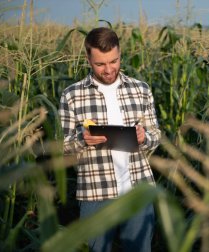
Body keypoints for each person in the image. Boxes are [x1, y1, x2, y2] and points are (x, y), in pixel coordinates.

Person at [59, 27, 161, 252]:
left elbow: (156, 136)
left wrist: (145, 138)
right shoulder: (71, 95)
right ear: (88, 58)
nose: (108, 69)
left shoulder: (140, 90)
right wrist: (82, 139)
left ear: (120, 53)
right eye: (100, 64)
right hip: (95, 195)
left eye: (114, 61)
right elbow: (65, 147)